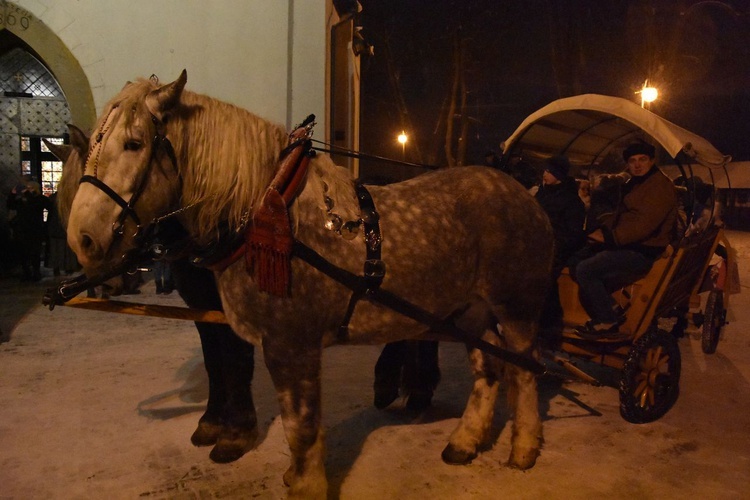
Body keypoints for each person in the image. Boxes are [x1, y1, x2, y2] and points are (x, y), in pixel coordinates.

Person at [569, 142, 678, 338]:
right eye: (632, 161)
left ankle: (607, 320)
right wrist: (600, 230)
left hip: (644, 251)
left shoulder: (659, 186)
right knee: (577, 257)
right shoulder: (637, 183)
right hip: (633, 245)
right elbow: (621, 216)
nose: (637, 165)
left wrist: (610, 237)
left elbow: (643, 224)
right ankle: (612, 308)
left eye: (642, 160)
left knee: (585, 269)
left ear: (652, 161)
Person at [535, 155, 586, 328]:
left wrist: (552, 246)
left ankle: (549, 320)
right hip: (537, 245)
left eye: (549, 171)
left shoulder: (571, 201)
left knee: (542, 277)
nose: (545, 174)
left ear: (559, 174)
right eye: (545, 170)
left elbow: (573, 234)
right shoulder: (542, 194)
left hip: (557, 249)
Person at [6, 177, 51, 282]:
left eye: (31, 188)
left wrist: (46, 223)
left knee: (35, 252)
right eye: (27, 188)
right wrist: (13, 194)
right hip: (22, 230)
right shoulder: (21, 200)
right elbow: (11, 205)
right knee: (23, 253)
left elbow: (47, 206)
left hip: (35, 229)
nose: (28, 190)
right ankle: (26, 272)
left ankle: (36, 272)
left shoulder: (39, 199)